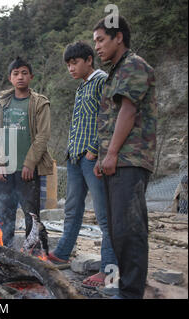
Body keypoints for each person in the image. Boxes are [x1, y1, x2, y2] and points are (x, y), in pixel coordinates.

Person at [93, 15, 157, 299]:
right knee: (118, 230)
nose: (97, 47)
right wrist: (102, 157)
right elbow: (109, 120)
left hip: (130, 159)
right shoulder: (114, 73)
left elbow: (128, 112)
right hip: (116, 160)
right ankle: (123, 288)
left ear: (118, 37)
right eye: (95, 42)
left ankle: (131, 293)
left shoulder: (134, 65)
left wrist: (113, 153)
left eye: (101, 40)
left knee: (129, 230)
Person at [48, 41, 118, 289]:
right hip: (75, 157)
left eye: (74, 62)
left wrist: (95, 151)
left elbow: (109, 118)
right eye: (68, 65)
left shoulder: (102, 81)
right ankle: (63, 253)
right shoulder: (81, 87)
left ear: (89, 59)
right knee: (72, 209)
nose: (70, 68)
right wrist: (72, 152)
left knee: (104, 215)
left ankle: (108, 268)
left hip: (92, 158)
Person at [0, 56, 54, 249]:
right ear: (10, 78)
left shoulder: (39, 103)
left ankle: (37, 254)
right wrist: (0, 164)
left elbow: (43, 135)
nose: (20, 77)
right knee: (3, 213)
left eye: (24, 73)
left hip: (28, 170)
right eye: (16, 73)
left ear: (31, 77)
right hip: (4, 171)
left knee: (31, 215)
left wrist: (30, 163)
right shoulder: (2, 105)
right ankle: (4, 251)